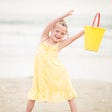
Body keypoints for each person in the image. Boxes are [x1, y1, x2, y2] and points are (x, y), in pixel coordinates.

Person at [26, 10, 84, 112]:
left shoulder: (60, 44)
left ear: (65, 35)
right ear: (52, 30)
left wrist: (86, 30)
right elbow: (50, 23)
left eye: (62, 33)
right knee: (33, 94)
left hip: (58, 74)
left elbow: (74, 38)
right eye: (57, 31)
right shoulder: (44, 38)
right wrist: (64, 15)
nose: (59, 34)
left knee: (70, 95)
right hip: (42, 75)